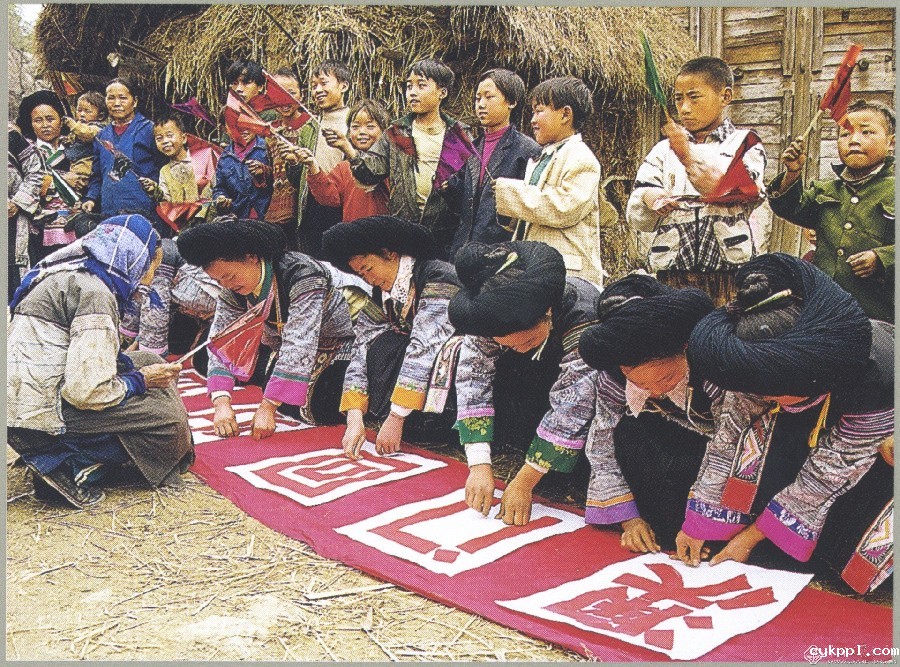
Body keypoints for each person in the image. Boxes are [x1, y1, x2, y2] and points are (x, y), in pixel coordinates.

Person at [678, 253, 893, 594]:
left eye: (775, 395)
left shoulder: (875, 378)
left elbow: (827, 473)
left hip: (878, 438)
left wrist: (749, 538)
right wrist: (697, 522)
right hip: (825, 421)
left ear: (812, 379)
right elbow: (728, 436)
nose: (764, 399)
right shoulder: (762, 360)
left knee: (858, 533)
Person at [7, 214, 192, 509]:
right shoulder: (95, 294)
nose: (149, 276)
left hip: (21, 401)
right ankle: (69, 464)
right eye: (150, 266)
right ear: (132, 258)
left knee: (144, 358)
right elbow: (86, 391)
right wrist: (140, 381)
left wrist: (136, 371)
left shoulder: (69, 273)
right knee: (168, 420)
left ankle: (56, 452)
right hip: (35, 415)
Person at [448, 240, 600, 525]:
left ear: (549, 313)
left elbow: (574, 405)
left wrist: (523, 482)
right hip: (534, 384)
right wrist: (479, 463)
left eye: (528, 341)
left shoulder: (584, 316)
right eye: (508, 345)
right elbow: (473, 378)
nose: (519, 349)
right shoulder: (490, 313)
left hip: (583, 393)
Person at [577, 274, 725, 552]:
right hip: (654, 442)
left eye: (667, 378)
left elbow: (728, 448)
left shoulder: (713, 370)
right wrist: (629, 520)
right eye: (642, 384)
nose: (656, 392)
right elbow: (601, 446)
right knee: (626, 438)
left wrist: (699, 523)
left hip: (712, 448)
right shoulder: (612, 378)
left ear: (684, 348)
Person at [177, 218, 356, 435]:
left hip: (340, 344)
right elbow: (221, 339)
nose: (226, 286)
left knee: (319, 406)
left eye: (230, 276)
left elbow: (300, 342)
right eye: (219, 282)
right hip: (282, 346)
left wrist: (267, 407)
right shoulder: (231, 290)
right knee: (205, 358)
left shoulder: (302, 273)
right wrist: (221, 404)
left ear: (252, 257)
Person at [626, 57, 767, 305]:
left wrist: (686, 154)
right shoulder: (662, 150)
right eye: (679, 99)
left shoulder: (745, 143)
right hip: (673, 270)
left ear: (725, 97)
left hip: (728, 272)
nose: (684, 108)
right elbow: (640, 197)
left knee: (722, 336)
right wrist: (654, 200)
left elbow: (732, 189)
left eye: (694, 97)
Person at [321, 215, 461, 457]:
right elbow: (361, 346)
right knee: (381, 344)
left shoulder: (437, 276)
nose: (369, 279)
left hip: (463, 368)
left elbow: (426, 345)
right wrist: (355, 417)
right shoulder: (382, 295)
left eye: (368, 269)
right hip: (423, 375)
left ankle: (434, 424)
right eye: (362, 275)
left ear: (391, 254)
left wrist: (395, 417)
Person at [768, 100, 894, 322]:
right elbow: (791, 208)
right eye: (845, 134)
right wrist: (792, 174)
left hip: (876, 314)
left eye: (867, 132)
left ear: (891, 143)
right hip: (823, 309)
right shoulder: (825, 189)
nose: (854, 140)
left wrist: (881, 258)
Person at [343, 58, 471, 258]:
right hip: (402, 233)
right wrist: (349, 151)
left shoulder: (459, 136)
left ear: (442, 92)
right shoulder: (396, 133)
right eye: (409, 86)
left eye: (421, 85)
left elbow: (468, 188)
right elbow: (371, 172)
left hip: (445, 236)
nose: (412, 92)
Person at [493, 77, 608, 285]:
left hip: (567, 273)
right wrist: (507, 214)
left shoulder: (582, 158)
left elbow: (563, 208)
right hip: (535, 266)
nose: (532, 120)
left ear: (565, 114)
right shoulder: (542, 157)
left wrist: (509, 193)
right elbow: (531, 217)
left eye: (539, 111)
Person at [442, 68, 541, 259]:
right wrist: (446, 187)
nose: (481, 104)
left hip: (500, 254)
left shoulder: (527, 150)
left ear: (511, 102)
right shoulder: (470, 148)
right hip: (462, 253)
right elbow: (461, 204)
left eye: (489, 97)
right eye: (478, 98)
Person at [82, 78, 166, 227]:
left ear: (134, 102)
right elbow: (97, 176)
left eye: (123, 98)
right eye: (111, 98)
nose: (116, 103)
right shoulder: (102, 136)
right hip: (110, 210)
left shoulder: (149, 130)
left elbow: (164, 167)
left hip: (144, 209)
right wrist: (91, 198)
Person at [297, 59, 353, 257]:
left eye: (323, 83)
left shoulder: (355, 121)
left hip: (343, 202)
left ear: (343, 85)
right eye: (313, 86)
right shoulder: (310, 126)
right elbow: (297, 179)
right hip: (312, 203)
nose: (317, 90)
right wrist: (293, 161)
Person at [301, 98, 390, 222]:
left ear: (383, 131)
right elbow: (329, 198)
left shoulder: (390, 162)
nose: (362, 132)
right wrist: (313, 166)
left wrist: (346, 147)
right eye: (355, 127)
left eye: (370, 126)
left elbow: (369, 172)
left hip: (384, 232)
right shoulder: (343, 168)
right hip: (351, 234)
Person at [16, 89, 76, 259]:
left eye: (50, 119)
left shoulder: (75, 148)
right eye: (38, 120)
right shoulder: (25, 151)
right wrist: (61, 180)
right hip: (40, 231)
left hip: (76, 225)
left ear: (61, 121)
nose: (45, 125)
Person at [264, 68, 314, 250]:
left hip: (305, 208)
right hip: (277, 209)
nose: (285, 100)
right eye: (278, 94)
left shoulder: (311, 125)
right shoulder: (270, 131)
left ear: (302, 93)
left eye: (291, 93)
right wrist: (262, 172)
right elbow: (273, 172)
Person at [138, 114, 217, 227]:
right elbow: (167, 202)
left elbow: (215, 190)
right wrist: (154, 190)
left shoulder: (202, 160)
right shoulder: (165, 171)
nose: (165, 141)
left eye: (169, 135)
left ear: (183, 138)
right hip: (183, 228)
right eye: (159, 138)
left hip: (209, 224)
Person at [8, 122, 45, 294]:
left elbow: (35, 171)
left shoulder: (11, 137)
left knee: (17, 280)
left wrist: (17, 202)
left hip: (15, 222)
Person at [213, 125, 272, 220]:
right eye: (237, 127)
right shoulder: (225, 158)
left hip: (267, 215)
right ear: (227, 130)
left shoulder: (267, 148)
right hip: (239, 218)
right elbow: (220, 188)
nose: (244, 131)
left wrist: (265, 171)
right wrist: (220, 198)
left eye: (247, 125)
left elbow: (281, 178)